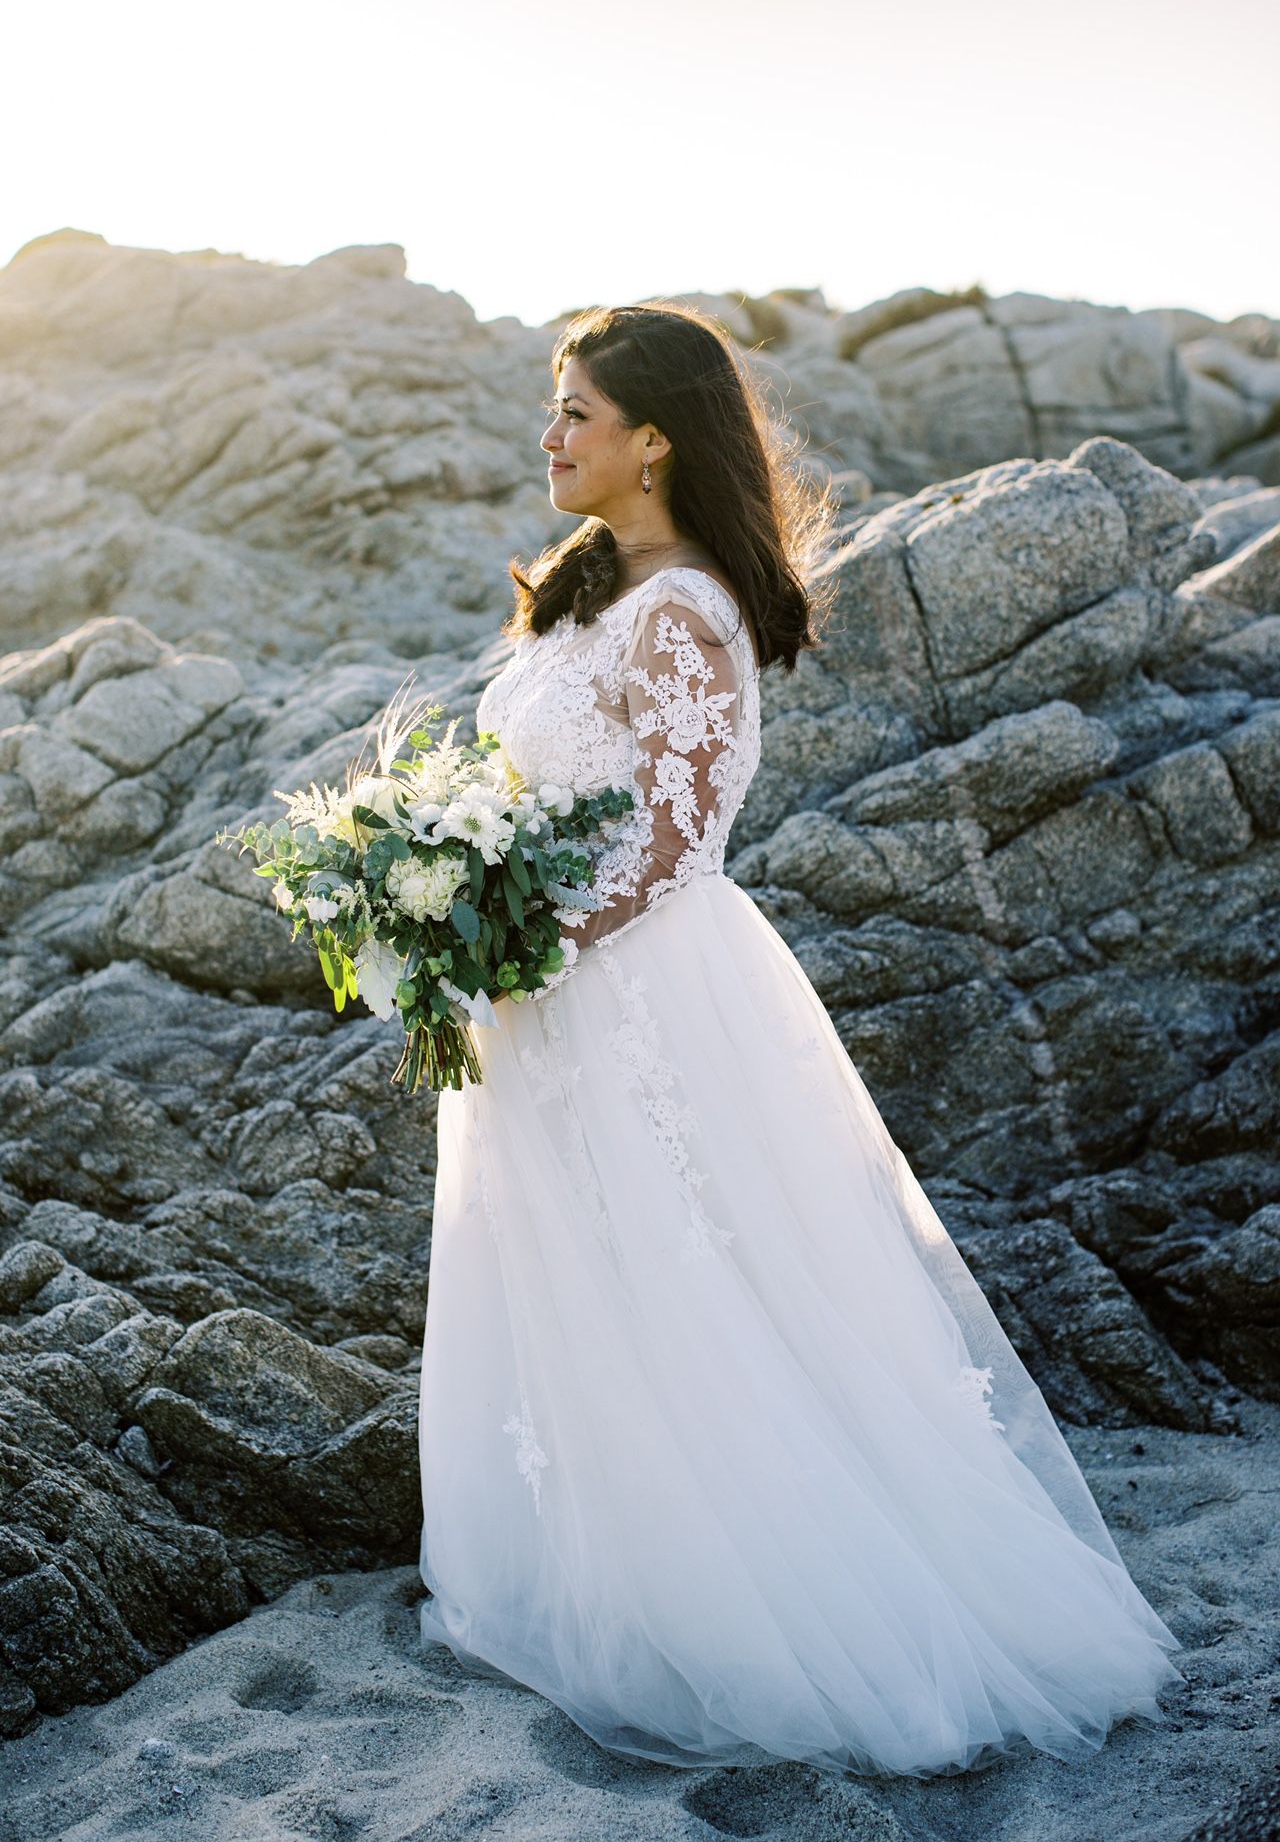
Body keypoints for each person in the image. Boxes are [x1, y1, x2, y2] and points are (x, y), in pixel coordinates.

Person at [416, 301, 1184, 1777]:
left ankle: (756, 1601)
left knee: (688, 1278)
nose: (550, 434)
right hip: (552, 995)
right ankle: (616, 1567)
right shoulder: (591, 590)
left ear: (654, 440)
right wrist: (459, 907)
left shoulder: (687, 609)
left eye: (574, 410)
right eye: (553, 408)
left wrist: (518, 944)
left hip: (637, 987)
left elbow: (675, 835)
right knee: (580, 1276)